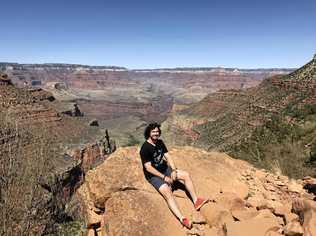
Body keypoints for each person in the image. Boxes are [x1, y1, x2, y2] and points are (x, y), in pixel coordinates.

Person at [139, 122, 208, 229]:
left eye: (157, 131)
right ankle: (182, 218)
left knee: (185, 175)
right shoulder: (145, 148)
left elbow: (168, 156)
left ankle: (195, 201)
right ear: (149, 133)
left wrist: (174, 170)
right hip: (153, 175)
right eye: (153, 132)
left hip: (164, 168)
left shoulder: (160, 142)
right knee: (167, 191)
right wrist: (164, 178)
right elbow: (148, 167)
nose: (156, 134)